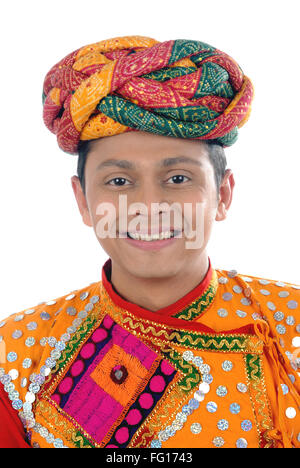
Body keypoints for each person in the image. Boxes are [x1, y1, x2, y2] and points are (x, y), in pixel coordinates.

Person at [0, 35, 299, 449]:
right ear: (83, 201)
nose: (149, 206)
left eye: (178, 178)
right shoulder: (16, 355)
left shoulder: (291, 325)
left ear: (224, 194)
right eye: (119, 182)